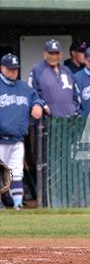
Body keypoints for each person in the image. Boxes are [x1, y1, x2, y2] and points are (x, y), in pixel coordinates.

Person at [0, 53, 43, 209]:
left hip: (17, 139)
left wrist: (37, 104)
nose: (13, 71)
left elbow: (36, 98)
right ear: (2, 68)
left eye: (16, 69)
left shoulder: (24, 87)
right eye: (10, 69)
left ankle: (18, 205)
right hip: (0, 140)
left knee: (17, 172)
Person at [28, 39, 80, 117]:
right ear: (45, 54)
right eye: (51, 53)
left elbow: (76, 93)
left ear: (61, 55)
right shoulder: (37, 69)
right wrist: (43, 105)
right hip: (48, 119)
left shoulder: (67, 70)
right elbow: (31, 92)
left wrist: (73, 109)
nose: (54, 56)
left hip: (69, 119)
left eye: (56, 53)